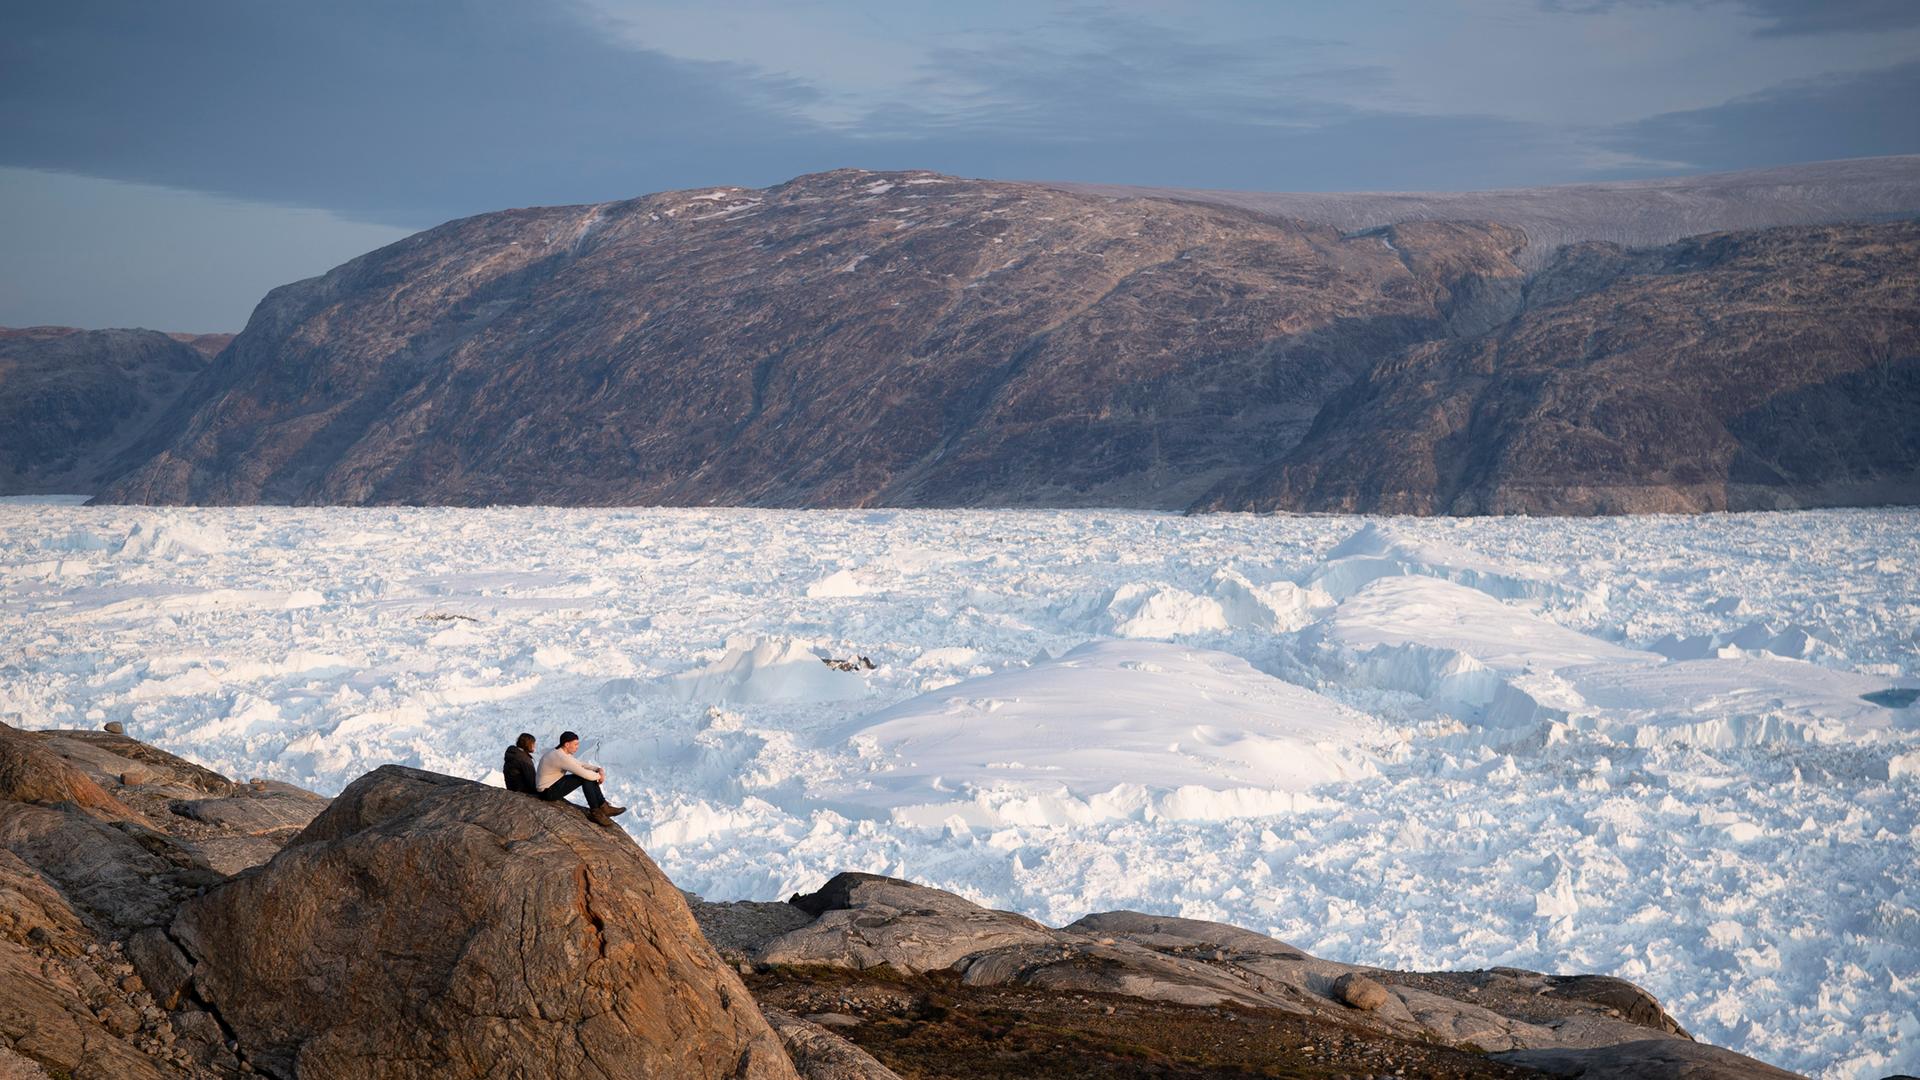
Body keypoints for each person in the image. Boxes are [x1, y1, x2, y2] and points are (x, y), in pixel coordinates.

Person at [536, 730, 626, 826]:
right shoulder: (560, 757)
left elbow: (580, 764)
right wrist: (599, 776)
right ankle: (596, 812)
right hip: (547, 792)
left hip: (552, 785)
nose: (577, 747)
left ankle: (603, 807)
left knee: (586, 776)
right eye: (575, 744)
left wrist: (598, 769)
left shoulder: (561, 753)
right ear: (567, 744)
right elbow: (584, 774)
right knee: (584, 777)